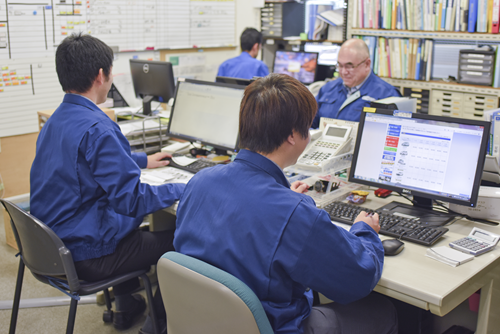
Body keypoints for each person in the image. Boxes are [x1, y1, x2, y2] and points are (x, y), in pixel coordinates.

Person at [174, 74, 398, 334]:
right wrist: (365, 230)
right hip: (273, 327)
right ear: (293, 135)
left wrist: (283, 195)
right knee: (384, 311)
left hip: (206, 323)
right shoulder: (294, 213)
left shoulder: (200, 181)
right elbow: (359, 278)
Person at [30, 33, 184, 334]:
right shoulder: (99, 127)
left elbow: (84, 162)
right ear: (101, 75)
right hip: (86, 255)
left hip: (52, 247)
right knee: (184, 238)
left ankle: (126, 307)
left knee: (126, 226)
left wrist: (142, 161)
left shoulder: (57, 120)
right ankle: (156, 326)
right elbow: (132, 201)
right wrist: (185, 188)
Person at [312, 38, 401, 128]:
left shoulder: (387, 95)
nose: (343, 72)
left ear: (367, 64)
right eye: (340, 65)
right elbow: (307, 124)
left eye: (349, 66)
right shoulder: (327, 89)